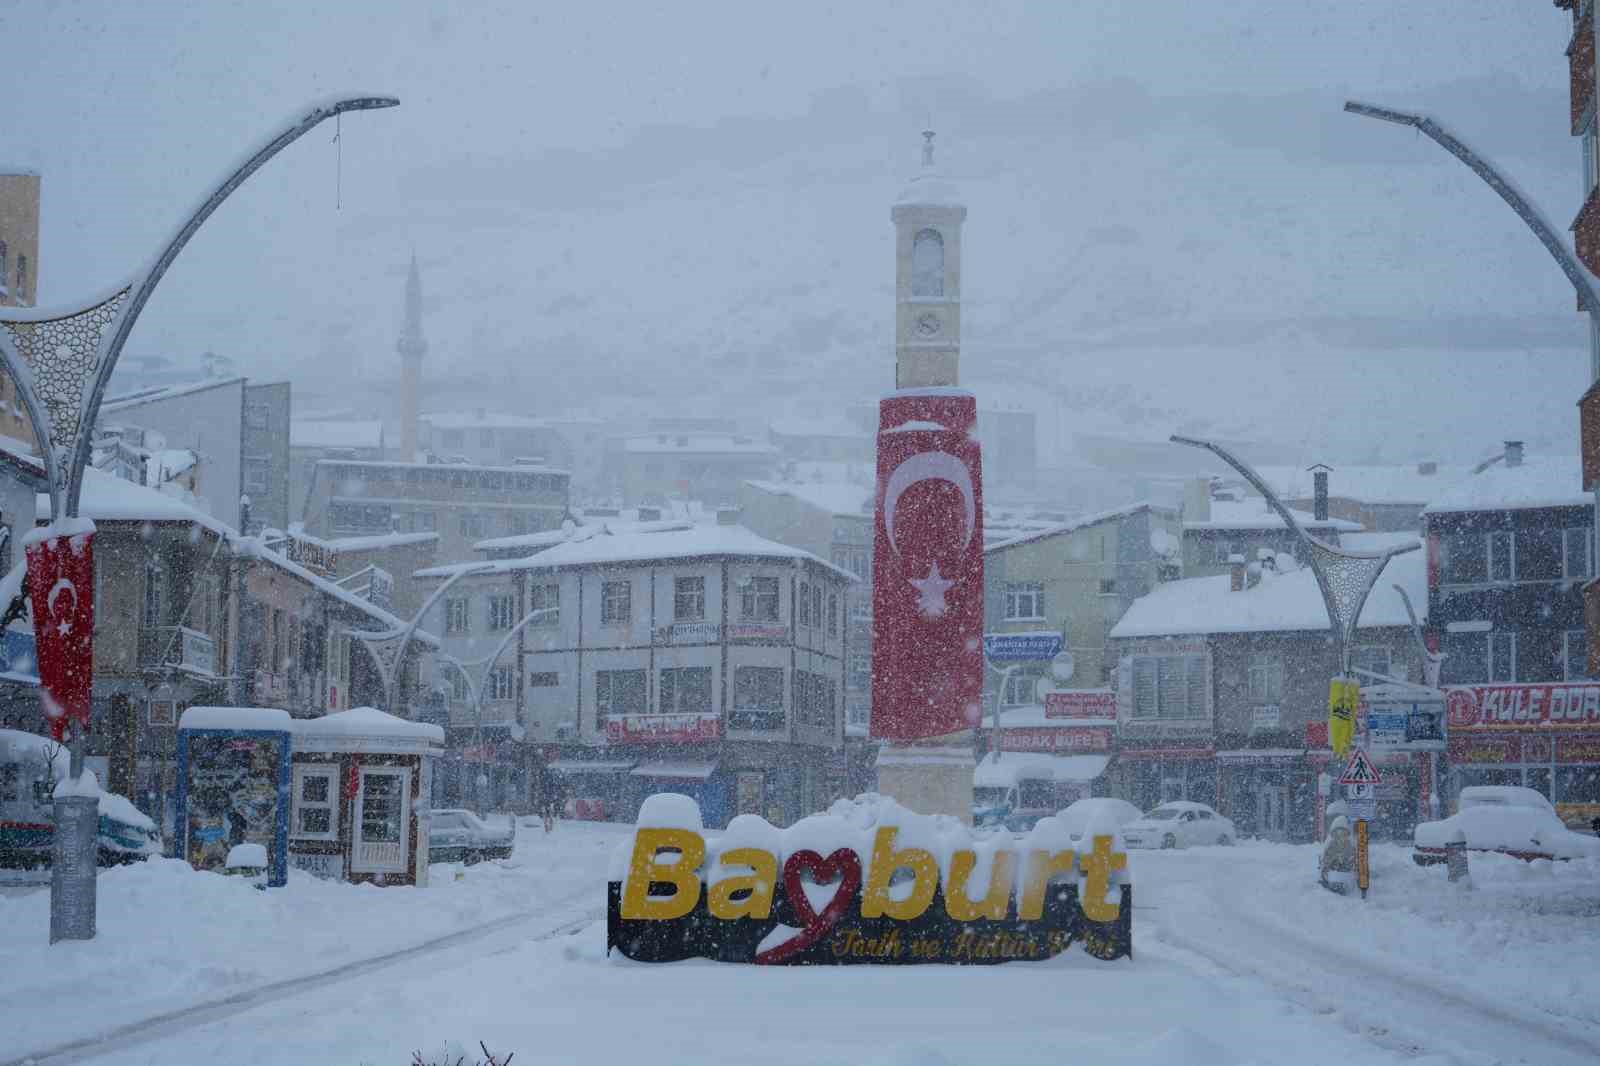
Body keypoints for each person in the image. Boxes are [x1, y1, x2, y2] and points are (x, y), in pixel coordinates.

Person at [1319, 815, 1355, 895]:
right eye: (1338, 834)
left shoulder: (1350, 846)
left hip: (1345, 875)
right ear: (1334, 834)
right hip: (1333, 873)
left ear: (1347, 835)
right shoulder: (1330, 845)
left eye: (1344, 834)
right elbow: (1325, 862)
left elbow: (1354, 864)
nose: (1341, 836)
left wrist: (1346, 861)